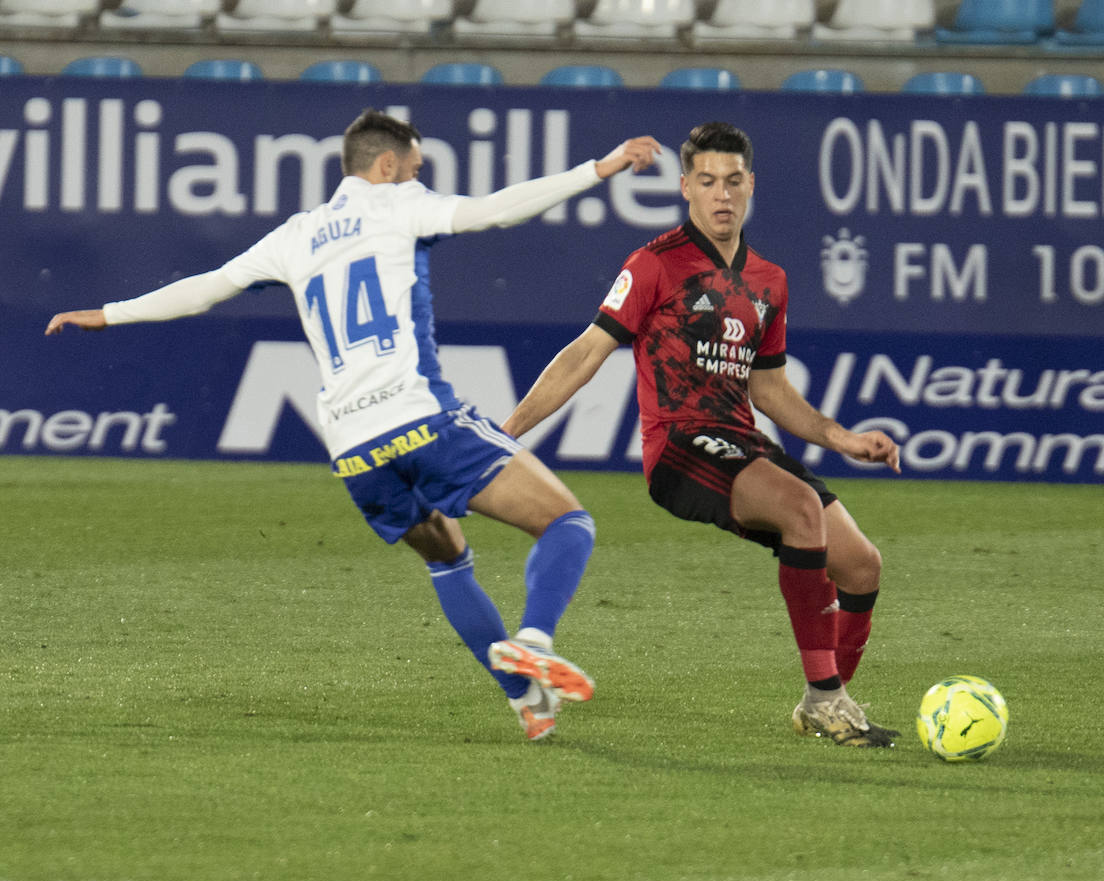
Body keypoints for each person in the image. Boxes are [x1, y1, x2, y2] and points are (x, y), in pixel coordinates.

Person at [46, 109, 662, 742]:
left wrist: (110, 313)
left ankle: (527, 704)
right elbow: (495, 209)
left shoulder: (296, 234)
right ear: (387, 165)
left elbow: (207, 288)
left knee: (447, 559)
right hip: (420, 417)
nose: (418, 177)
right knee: (567, 523)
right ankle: (532, 639)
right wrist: (600, 168)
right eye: (416, 169)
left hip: (351, 447)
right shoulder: (398, 207)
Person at [502, 121, 902, 747]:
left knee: (860, 565)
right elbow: (585, 354)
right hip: (680, 447)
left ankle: (826, 700)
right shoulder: (655, 265)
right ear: (686, 187)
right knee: (802, 510)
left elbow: (768, 390)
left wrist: (840, 437)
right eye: (708, 182)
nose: (722, 195)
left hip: (743, 442)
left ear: (751, 187)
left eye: (734, 182)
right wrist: (508, 433)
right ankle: (827, 700)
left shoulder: (769, 281)